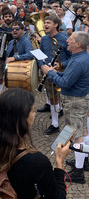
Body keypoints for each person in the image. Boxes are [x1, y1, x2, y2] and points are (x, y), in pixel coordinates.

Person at [0, 88, 69, 199]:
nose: (35, 114)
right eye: (33, 110)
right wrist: (59, 163)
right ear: (23, 118)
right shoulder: (37, 161)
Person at [43, 31, 89, 183]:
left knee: (77, 137)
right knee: (82, 130)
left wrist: (50, 73)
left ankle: (78, 172)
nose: (67, 40)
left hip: (75, 101)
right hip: (79, 99)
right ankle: (82, 161)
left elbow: (64, 83)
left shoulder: (78, 61)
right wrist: (56, 72)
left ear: (78, 44)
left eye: (71, 39)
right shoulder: (80, 58)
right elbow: (69, 77)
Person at [37, 15, 70, 135]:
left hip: (62, 73)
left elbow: (71, 58)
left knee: (66, 99)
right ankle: (55, 124)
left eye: (48, 23)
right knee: (52, 97)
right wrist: (41, 65)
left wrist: (61, 64)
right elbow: (40, 55)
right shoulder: (44, 39)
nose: (45, 25)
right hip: (48, 73)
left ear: (56, 25)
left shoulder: (64, 38)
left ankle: (69, 126)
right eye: (45, 22)